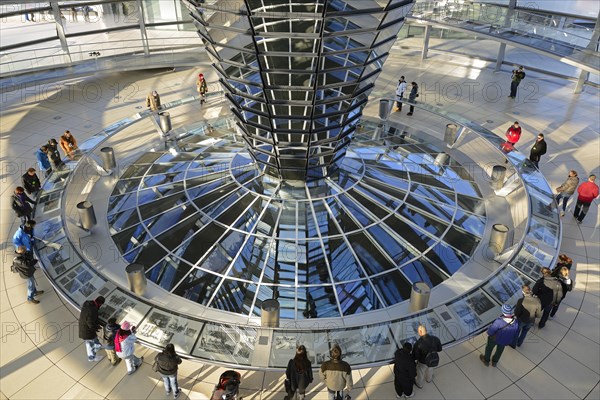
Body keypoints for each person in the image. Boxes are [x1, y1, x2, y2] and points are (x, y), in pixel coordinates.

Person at [78, 296, 106, 362]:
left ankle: (97, 346)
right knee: (89, 344)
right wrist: (96, 328)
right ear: (100, 304)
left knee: (94, 338)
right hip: (86, 331)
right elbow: (90, 323)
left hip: (84, 327)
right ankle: (91, 357)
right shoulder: (93, 310)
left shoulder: (88, 303)